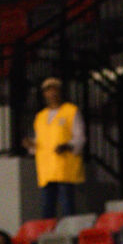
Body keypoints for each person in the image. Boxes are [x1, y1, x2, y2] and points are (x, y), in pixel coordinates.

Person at [23, 77, 85, 219]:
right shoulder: (40, 116)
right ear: (44, 94)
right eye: (48, 90)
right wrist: (31, 145)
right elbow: (40, 141)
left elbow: (80, 137)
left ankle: (69, 231)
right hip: (46, 168)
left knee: (67, 204)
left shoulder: (71, 111)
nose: (52, 93)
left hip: (64, 167)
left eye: (54, 89)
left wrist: (68, 146)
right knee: (47, 206)